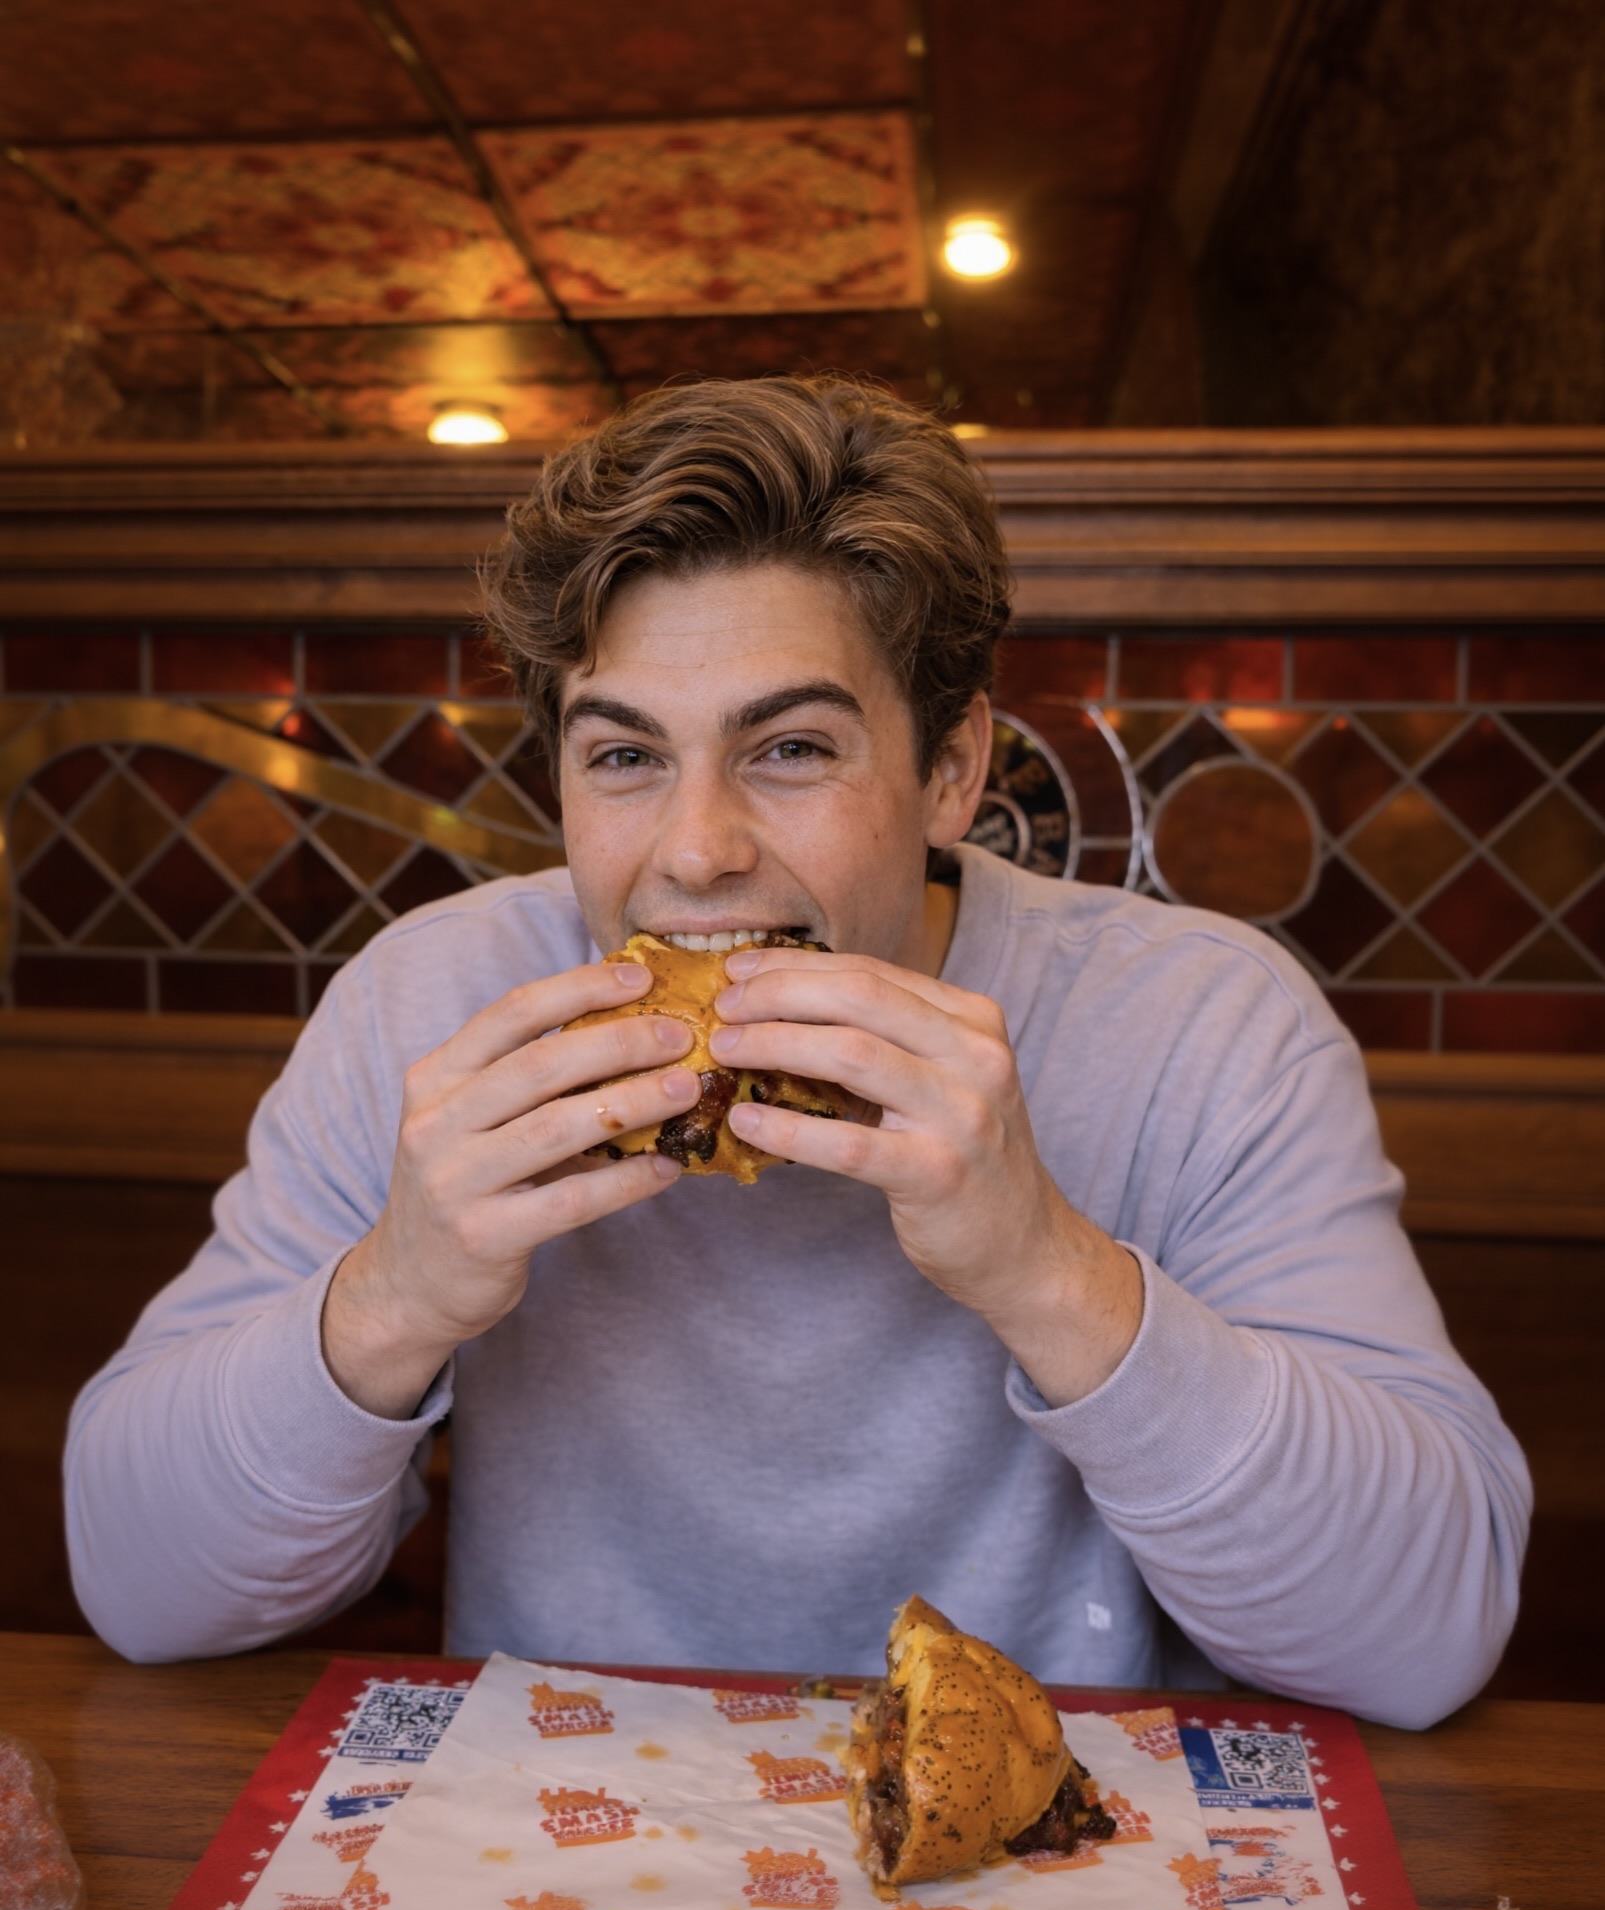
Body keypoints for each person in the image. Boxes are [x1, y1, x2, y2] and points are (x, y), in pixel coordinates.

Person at [65, 377, 1529, 1728]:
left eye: (791, 748)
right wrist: (393, 1294)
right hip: (550, 1855)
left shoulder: (1205, 1024)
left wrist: (1043, 1264)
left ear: (948, 768)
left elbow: (1417, 1637)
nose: (697, 853)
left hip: (1060, 1861)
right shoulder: (429, 1003)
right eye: (625, 756)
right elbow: (140, 1587)